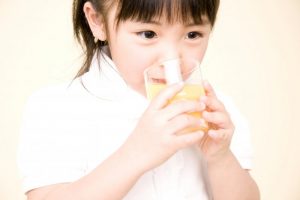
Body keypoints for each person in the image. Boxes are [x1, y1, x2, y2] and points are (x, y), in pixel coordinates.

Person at [18, 0, 260, 199]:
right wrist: (137, 153)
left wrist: (221, 157)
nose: (172, 59)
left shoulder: (217, 110)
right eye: (148, 34)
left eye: (193, 34)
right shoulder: (56, 108)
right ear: (98, 21)